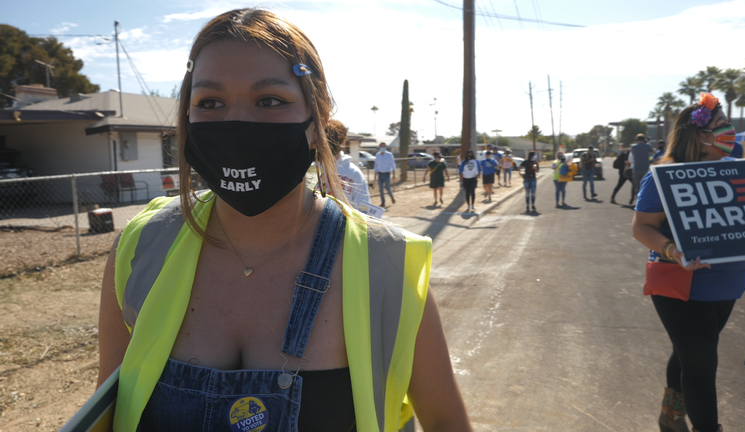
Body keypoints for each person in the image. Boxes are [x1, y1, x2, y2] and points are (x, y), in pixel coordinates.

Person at [96, 8, 471, 432]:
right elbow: (107, 411)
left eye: (270, 101)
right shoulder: (141, 247)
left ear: (317, 124)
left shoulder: (386, 264)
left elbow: (444, 421)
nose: (237, 123)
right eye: (210, 102)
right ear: (187, 117)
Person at [632, 93, 745, 432]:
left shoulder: (740, 170)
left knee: (689, 353)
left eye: (727, 124)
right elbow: (642, 227)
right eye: (720, 125)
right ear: (698, 134)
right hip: (682, 284)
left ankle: (670, 415)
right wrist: (673, 251)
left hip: (729, 283)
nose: (729, 131)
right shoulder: (664, 176)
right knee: (701, 366)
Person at [326, 119, 371, 208]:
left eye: (335, 139)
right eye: (327, 138)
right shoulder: (312, 169)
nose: (330, 143)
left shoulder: (353, 172)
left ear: (343, 142)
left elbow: (364, 208)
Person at [628, 133, 654, 205]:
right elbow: (653, 151)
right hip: (645, 168)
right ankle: (645, 201)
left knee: (637, 187)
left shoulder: (633, 147)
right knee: (645, 185)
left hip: (636, 169)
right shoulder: (647, 146)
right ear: (644, 139)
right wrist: (647, 142)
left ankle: (639, 202)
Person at [374, 142, 396, 207]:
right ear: (379, 147)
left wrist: (394, 175)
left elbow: (393, 165)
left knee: (388, 188)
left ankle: (392, 197)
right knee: (381, 189)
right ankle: (383, 202)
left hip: (387, 174)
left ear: (385, 147)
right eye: (381, 147)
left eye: (383, 146)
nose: (382, 148)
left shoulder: (389, 155)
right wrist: (375, 176)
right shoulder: (377, 155)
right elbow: (376, 166)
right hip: (380, 174)